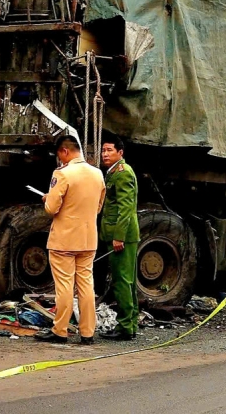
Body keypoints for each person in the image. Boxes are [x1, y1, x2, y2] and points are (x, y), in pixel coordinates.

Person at [35, 134, 105, 344]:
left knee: (64, 285)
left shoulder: (62, 174)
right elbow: (98, 207)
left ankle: (60, 330)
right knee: (86, 285)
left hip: (64, 239)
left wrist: (48, 198)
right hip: (88, 238)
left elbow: (51, 208)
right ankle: (87, 332)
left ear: (64, 151)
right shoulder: (97, 174)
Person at [99, 134, 140, 341]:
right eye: (103, 150)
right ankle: (130, 324)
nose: (105, 154)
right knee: (127, 281)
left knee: (122, 281)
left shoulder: (122, 173)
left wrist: (118, 236)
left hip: (122, 236)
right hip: (121, 235)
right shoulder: (113, 172)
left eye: (109, 150)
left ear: (120, 153)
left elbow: (126, 207)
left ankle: (125, 327)